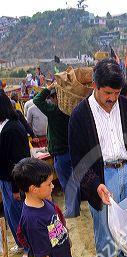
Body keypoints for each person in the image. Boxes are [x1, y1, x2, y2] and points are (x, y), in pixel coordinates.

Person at [68, 58, 127, 257]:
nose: (112, 98)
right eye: (107, 93)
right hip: (103, 178)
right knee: (106, 237)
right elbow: (79, 162)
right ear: (95, 86)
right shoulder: (80, 116)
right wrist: (95, 185)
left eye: (117, 93)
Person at [12, 158, 73, 257]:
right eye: (49, 184)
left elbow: (57, 222)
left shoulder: (44, 201)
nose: (53, 186)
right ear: (34, 189)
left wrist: (66, 239)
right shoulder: (33, 221)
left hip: (63, 256)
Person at [33, 85, 81, 218]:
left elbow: (37, 100)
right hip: (71, 151)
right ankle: (75, 208)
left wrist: (48, 88)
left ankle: (72, 211)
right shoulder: (71, 111)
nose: (51, 100)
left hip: (61, 153)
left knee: (66, 183)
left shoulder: (55, 110)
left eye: (52, 97)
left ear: (56, 97)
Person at [0, 90, 30, 252]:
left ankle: (27, 247)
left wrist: (16, 187)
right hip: (5, 179)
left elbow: (17, 162)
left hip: (13, 181)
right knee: (10, 214)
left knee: (18, 215)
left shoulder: (12, 129)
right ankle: (21, 244)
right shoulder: (6, 126)